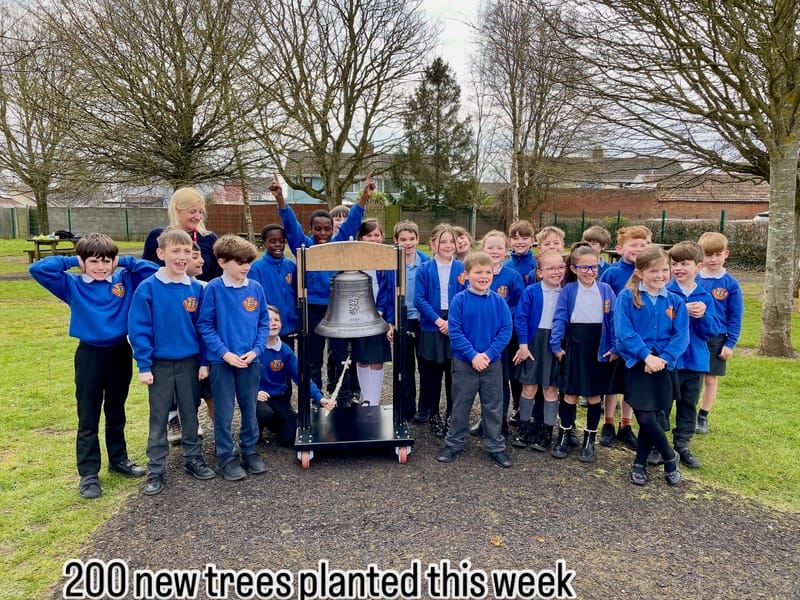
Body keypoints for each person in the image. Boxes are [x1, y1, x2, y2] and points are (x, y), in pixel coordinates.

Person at [29, 233, 157, 499]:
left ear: (114, 261)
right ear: (83, 262)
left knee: (116, 410)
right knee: (88, 415)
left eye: (107, 261)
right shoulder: (71, 284)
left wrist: (126, 262)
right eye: (94, 261)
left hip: (120, 351)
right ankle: (88, 474)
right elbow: (37, 269)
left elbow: (154, 271)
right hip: (89, 356)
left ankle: (119, 459)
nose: (101, 267)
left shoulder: (125, 280)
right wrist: (71, 261)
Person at [128, 229, 215, 495]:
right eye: (175, 251)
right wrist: (144, 365)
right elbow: (139, 329)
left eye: (187, 252)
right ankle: (155, 469)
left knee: (190, 413)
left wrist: (203, 361)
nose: (181, 257)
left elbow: (203, 328)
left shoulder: (196, 289)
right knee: (159, 417)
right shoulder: (148, 288)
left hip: (190, 362)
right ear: (161, 254)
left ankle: (193, 459)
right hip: (160, 365)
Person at [271, 172, 370, 400]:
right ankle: (315, 399)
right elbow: (290, 224)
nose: (323, 233)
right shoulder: (303, 245)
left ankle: (341, 397)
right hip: (312, 309)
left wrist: (364, 197)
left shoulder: (338, 244)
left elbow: (352, 223)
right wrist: (280, 200)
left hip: (336, 308)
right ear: (311, 229)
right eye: (318, 229)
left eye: (327, 229)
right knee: (312, 356)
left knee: (339, 354)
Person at [143, 186, 222, 444]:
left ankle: (219, 430)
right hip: (169, 313)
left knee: (205, 368)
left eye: (201, 211)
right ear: (177, 210)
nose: (198, 215)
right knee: (174, 369)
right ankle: (175, 419)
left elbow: (217, 277)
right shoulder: (159, 237)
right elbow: (147, 272)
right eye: (192, 211)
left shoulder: (210, 239)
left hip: (202, 308)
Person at [614, 245, 689, 486]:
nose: (660, 275)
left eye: (664, 270)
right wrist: (646, 357)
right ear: (639, 272)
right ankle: (669, 457)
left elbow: (682, 336)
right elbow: (624, 332)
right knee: (644, 416)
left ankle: (639, 463)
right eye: (653, 271)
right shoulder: (627, 297)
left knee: (655, 416)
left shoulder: (676, 301)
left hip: (664, 365)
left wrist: (662, 360)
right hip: (638, 363)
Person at [197, 235, 270, 481]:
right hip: (222, 363)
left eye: (248, 261)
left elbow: (263, 323)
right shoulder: (214, 289)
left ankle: (249, 451)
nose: (245, 266)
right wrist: (225, 354)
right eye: (239, 262)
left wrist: (256, 350)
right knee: (224, 412)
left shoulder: (256, 288)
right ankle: (226, 457)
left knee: (250, 410)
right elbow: (205, 326)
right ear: (222, 262)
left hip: (251, 361)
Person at [437, 251, 513, 467]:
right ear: (467, 275)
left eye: (487, 272)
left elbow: (506, 330)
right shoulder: (459, 300)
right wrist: (473, 355)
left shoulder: (499, 301)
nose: (483, 276)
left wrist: (487, 355)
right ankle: (454, 443)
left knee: (493, 406)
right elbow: (456, 330)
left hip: (491, 363)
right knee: (461, 404)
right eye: (478, 272)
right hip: (465, 363)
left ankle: (495, 446)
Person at [549, 243, 617, 462]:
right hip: (574, 345)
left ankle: (590, 439)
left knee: (594, 394)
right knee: (570, 393)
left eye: (594, 267)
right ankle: (565, 434)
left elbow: (614, 320)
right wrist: (555, 344)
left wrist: (615, 346)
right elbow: (560, 317)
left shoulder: (606, 290)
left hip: (598, 346)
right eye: (584, 268)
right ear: (575, 269)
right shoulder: (569, 290)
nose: (590, 272)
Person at [656, 240, 718, 469]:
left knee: (688, 404)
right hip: (669, 360)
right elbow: (659, 325)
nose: (679, 268)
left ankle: (682, 444)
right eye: (674, 263)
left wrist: (702, 316)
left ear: (698, 267)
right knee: (662, 403)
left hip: (694, 360)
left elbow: (711, 331)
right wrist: (682, 309)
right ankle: (658, 445)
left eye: (684, 263)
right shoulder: (665, 292)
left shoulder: (705, 296)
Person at [599, 225, 652, 450]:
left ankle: (626, 425)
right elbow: (604, 307)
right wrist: (612, 342)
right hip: (615, 339)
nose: (639, 249)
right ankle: (608, 422)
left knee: (630, 385)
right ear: (620, 249)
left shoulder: (652, 273)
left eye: (644, 245)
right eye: (634, 245)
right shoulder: (611, 273)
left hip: (639, 342)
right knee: (611, 384)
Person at [468, 230, 524, 436]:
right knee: (484, 381)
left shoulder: (512, 275)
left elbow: (520, 304)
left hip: (504, 339)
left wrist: (502, 316)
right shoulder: (475, 274)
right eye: (490, 247)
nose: (495, 251)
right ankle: (485, 418)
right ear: (482, 249)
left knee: (501, 380)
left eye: (499, 247)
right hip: (480, 337)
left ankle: (498, 421)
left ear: (506, 249)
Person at [414, 223, 467, 436]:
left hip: (455, 326)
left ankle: (451, 414)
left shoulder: (463, 268)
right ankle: (434, 413)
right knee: (432, 375)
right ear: (432, 244)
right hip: (432, 326)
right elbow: (419, 299)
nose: (447, 245)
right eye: (442, 241)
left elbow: (466, 297)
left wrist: (451, 323)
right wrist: (438, 321)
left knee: (454, 374)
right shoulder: (424, 269)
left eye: (451, 241)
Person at [257, 306, 334, 446]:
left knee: (290, 437)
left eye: (276, 320)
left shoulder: (285, 351)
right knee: (263, 414)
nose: (273, 323)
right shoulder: (253, 349)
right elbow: (242, 377)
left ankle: (274, 423)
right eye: (268, 320)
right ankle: (256, 426)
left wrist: (320, 398)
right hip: (258, 398)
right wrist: (253, 392)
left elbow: (301, 377)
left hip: (279, 399)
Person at [511, 250, 564, 451]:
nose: (556, 271)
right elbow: (521, 318)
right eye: (550, 268)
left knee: (550, 389)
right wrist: (523, 345)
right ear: (540, 272)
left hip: (554, 344)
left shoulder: (566, 292)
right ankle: (524, 428)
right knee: (529, 387)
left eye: (560, 267)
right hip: (533, 344)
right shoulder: (531, 291)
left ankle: (546, 432)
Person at [694, 232, 743, 435]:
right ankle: (686, 411)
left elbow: (735, 316)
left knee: (710, 378)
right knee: (691, 377)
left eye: (717, 254)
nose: (713, 259)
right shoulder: (694, 279)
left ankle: (703, 415)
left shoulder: (731, 284)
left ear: (726, 254)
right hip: (695, 335)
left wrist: (730, 343)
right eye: (707, 254)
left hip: (717, 338)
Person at [347, 219, 395, 406]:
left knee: (377, 359)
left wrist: (383, 313)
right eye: (369, 235)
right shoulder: (355, 262)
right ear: (361, 238)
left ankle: (373, 401)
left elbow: (389, 290)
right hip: (359, 318)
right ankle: (365, 398)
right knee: (362, 358)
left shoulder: (388, 262)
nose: (374, 239)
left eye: (377, 235)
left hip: (379, 317)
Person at [393, 219, 429, 420]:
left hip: (423, 319)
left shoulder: (426, 263)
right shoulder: (392, 264)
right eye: (403, 239)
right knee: (404, 367)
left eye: (412, 239)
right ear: (396, 241)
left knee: (424, 364)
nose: (408, 243)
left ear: (418, 240)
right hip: (402, 319)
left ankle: (425, 408)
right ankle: (406, 407)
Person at [503, 219, 538, 427]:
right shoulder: (505, 266)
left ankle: (523, 409)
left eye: (525, 237)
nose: (520, 241)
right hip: (507, 327)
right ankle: (504, 411)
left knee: (523, 372)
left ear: (532, 241)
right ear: (510, 241)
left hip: (527, 328)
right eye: (515, 238)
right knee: (507, 369)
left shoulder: (536, 266)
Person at [248, 224, 298, 347]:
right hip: (268, 326)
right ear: (264, 243)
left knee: (287, 357)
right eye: (272, 241)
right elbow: (254, 299)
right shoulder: (256, 269)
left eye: (281, 241)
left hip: (289, 326)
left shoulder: (291, 265)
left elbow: (297, 292)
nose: (277, 245)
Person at [187, 242, 214, 428]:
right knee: (187, 402)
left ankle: (223, 440)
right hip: (184, 357)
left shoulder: (206, 287)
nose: (202, 260)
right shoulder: (161, 286)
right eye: (195, 256)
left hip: (208, 354)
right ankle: (191, 444)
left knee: (213, 398)